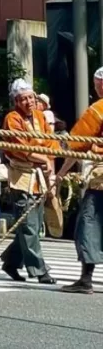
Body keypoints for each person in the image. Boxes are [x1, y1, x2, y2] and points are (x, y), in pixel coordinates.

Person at [0, 78, 57, 283]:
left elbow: (50, 143)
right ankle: (40, 270)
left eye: (31, 97)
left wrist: (48, 165)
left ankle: (11, 261)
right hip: (22, 176)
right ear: (16, 101)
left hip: (40, 175)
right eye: (23, 99)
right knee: (29, 226)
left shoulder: (41, 117)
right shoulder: (12, 119)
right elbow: (20, 147)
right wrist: (41, 157)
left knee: (31, 225)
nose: (28, 102)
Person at [58, 65, 103, 293]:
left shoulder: (99, 109)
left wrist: (62, 145)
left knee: (89, 223)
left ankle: (86, 279)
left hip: (101, 179)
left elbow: (78, 142)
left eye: (96, 85)